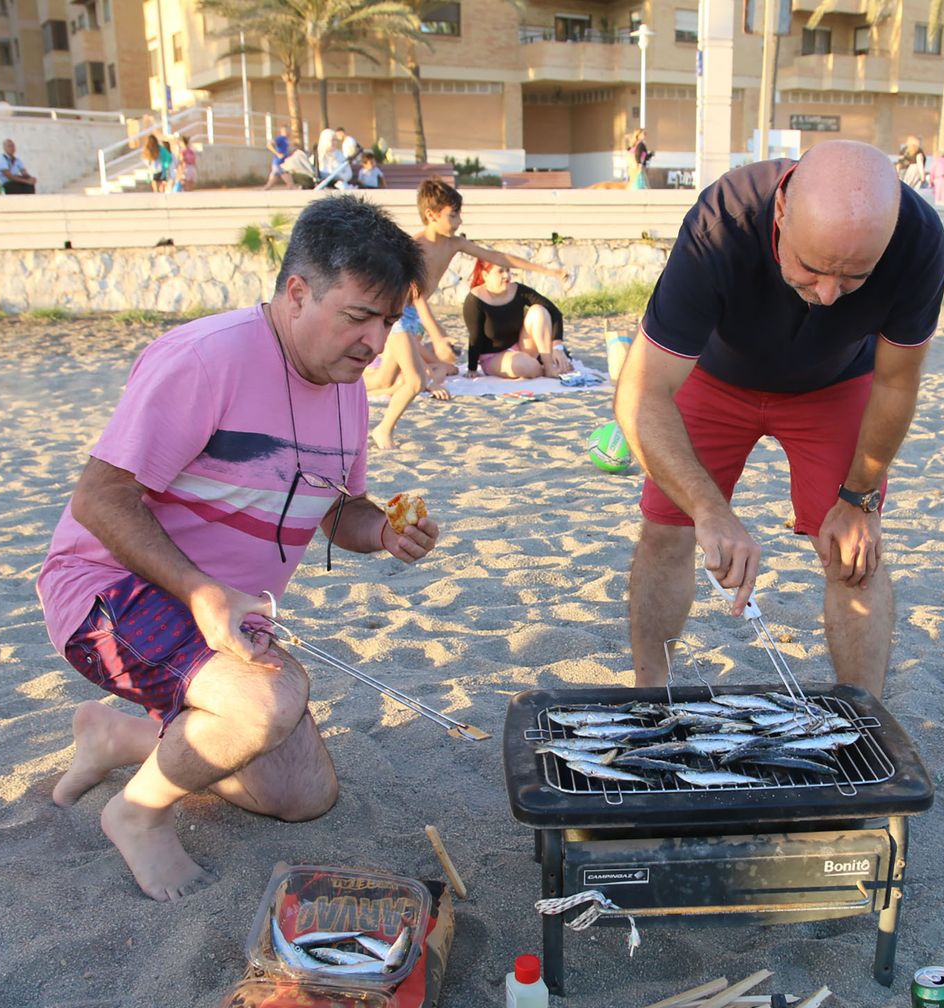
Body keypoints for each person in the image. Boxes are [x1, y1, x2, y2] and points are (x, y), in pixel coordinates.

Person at [38, 195, 435, 902]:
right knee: (268, 701)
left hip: (222, 610)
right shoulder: (206, 358)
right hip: (109, 590)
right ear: (296, 293)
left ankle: (118, 742)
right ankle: (137, 812)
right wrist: (200, 590)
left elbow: (335, 508)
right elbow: (98, 499)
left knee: (303, 795)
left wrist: (382, 531)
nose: (376, 343)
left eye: (389, 321)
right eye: (358, 317)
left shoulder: (346, 384)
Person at [613, 140, 944, 702]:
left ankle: (862, 714)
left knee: (852, 552)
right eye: (813, 269)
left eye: (854, 278)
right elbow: (641, 393)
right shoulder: (722, 224)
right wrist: (709, 509)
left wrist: (859, 501)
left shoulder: (917, 239)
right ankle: (649, 690)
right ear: (784, 213)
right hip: (715, 377)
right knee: (668, 529)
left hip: (835, 383)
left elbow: (896, 382)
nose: (827, 295)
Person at [362, 178, 568, 449]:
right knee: (415, 381)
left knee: (384, 379)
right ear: (432, 215)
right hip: (396, 312)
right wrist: (437, 336)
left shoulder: (454, 243)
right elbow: (416, 296)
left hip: (409, 315)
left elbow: (498, 258)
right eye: (453, 214)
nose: (459, 221)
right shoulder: (415, 247)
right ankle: (383, 430)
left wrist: (548, 271)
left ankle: (337, 385)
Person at [462, 260, 571, 378]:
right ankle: (543, 367)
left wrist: (557, 347)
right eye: (500, 271)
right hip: (493, 357)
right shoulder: (475, 300)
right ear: (485, 275)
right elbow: (475, 337)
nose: (507, 275)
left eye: (508, 270)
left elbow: (554, 312)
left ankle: (549, 367)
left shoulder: (518, 290)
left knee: (539, 311)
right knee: (524, 365)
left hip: (521, 347)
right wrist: (472, 368)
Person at [263, 124, 291, 190]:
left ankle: (261, 194)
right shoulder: (281, 138)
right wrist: (277, 154)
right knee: (290, 183)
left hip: (281, 163)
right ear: (285, 131)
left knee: (269, 185)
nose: (290, 132)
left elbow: (285, 151)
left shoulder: (286, 140)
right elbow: (269, 145)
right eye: (289, 130)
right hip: (279, 163)